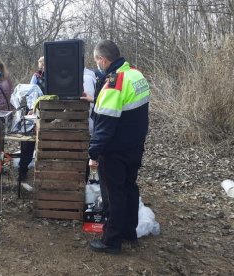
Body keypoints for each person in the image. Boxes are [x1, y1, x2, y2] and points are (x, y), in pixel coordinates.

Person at [82, 40, 150, 254]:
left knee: (114, 194)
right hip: (134, 146)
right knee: (130, 189)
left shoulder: (114, 82)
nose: (98, 65)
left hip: (115, 150)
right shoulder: (135, 74)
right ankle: (129, 233)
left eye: (97, 61)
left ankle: (111, 241)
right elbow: (127, 109)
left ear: (103, 59)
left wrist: (93, 152)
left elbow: (105, 125)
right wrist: (95, 99)